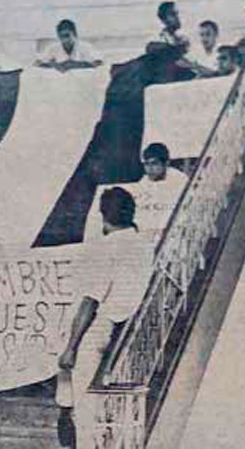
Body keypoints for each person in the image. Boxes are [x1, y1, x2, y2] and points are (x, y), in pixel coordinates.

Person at [56, 187, 156, 449]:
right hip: (127, 329)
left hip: (99, 329)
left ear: (103, 216)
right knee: (110, 409)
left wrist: (70, 348)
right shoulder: (144, 247)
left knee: (86, 408)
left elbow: (91, 301)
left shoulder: (107, 248)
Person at [84, 143, 188, 243]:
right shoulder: (142, 184)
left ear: (166, 163)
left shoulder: (180, 182)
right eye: (146, 164)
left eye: (154, 164)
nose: (150, 169)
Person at [35, 19, 103, 72]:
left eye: (67, 36)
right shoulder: (53, 48)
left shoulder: (85, 47)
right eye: (61, 36)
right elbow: (37, 63)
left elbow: (99, 62)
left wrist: (76, 65)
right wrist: (54, 65)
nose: (64, 39)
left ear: (75, 34)